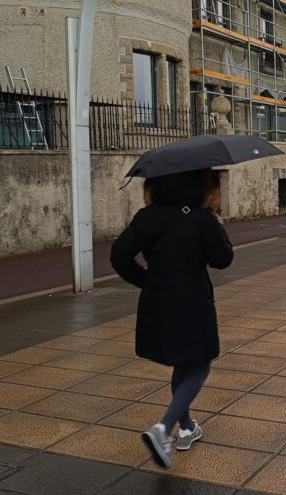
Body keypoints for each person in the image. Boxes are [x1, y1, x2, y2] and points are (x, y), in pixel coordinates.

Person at [111, 169, 233, 470]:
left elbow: (119, 256)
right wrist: (216, 222)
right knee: (199, 363)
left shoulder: (147, 216)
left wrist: (147, 281)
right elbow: (223, 259)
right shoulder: (201, 218)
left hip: (158, 302)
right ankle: (164, 427)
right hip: (192, 301)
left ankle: (187, 426)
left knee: (183, 360)